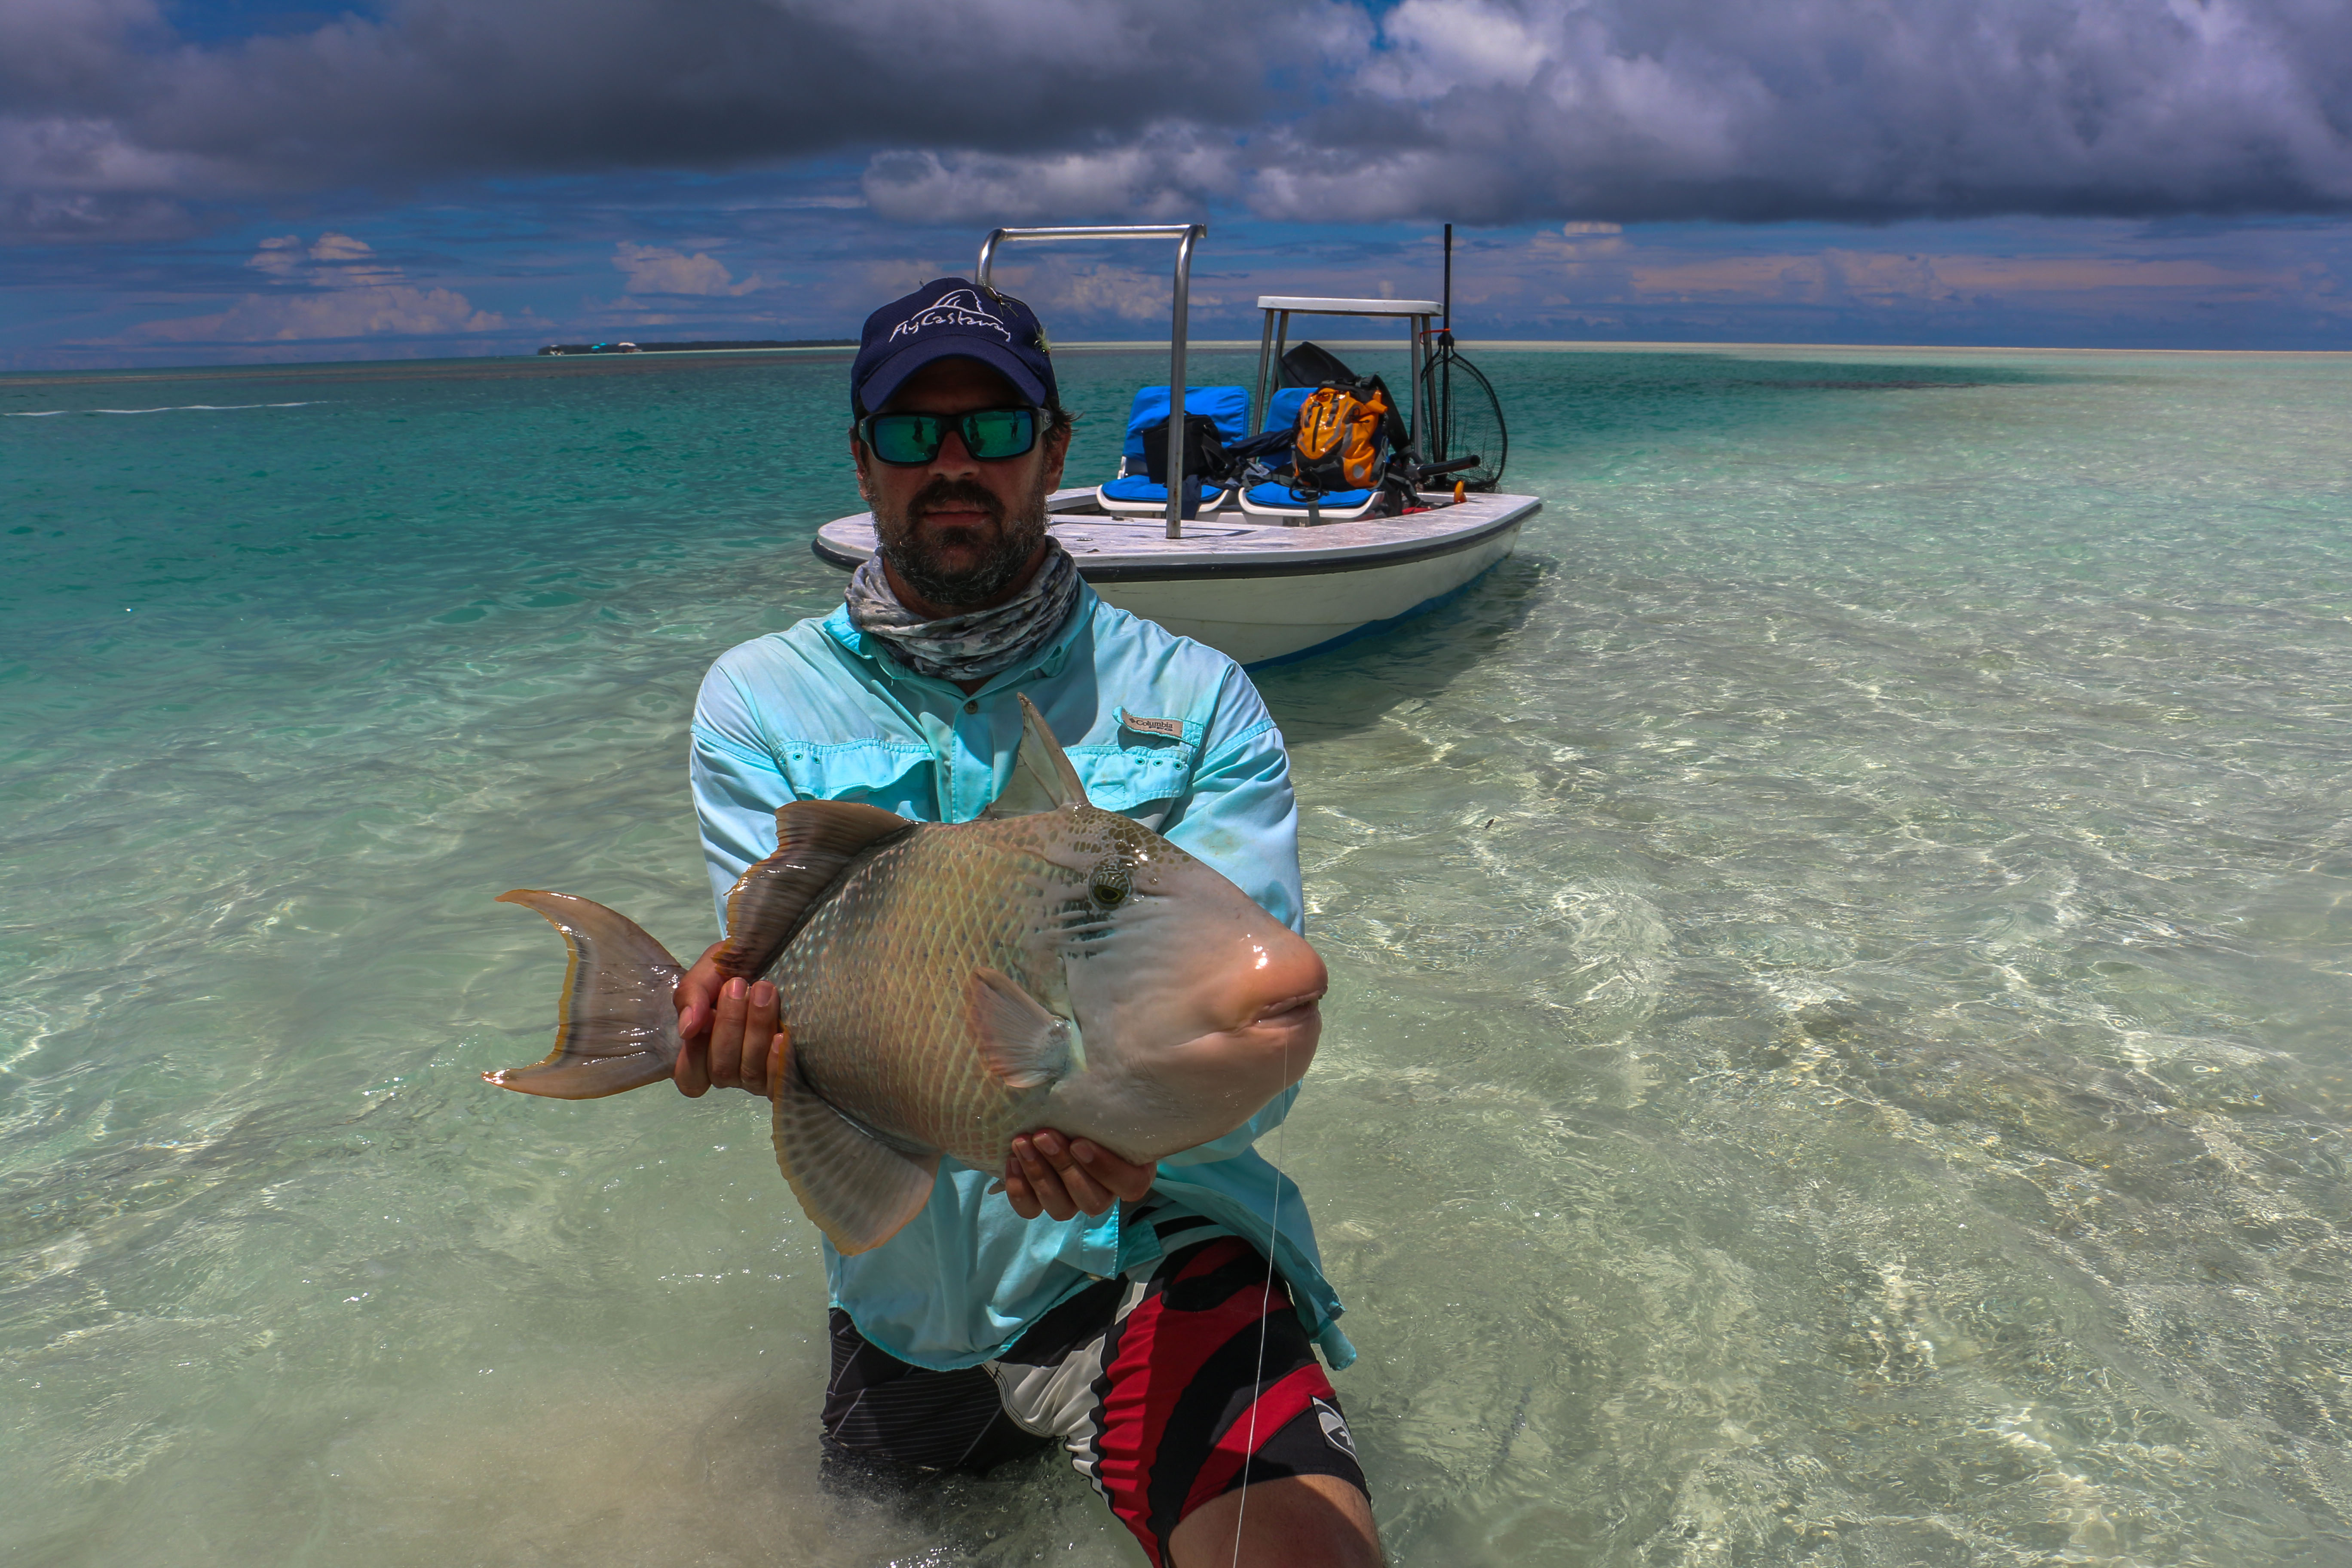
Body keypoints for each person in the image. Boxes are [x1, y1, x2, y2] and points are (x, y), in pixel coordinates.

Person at [665, 279, 1382, 1568]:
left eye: (993, 430)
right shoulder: (759, 700)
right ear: (863, 458)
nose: (953, 464)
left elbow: (1258, 1033)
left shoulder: (1200, 699)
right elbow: (784, 989)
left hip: (1162, 1251)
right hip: (909, 1305)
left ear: (1053, 449)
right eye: (912, 431)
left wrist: (1129, 1135)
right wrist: (740, 1038)